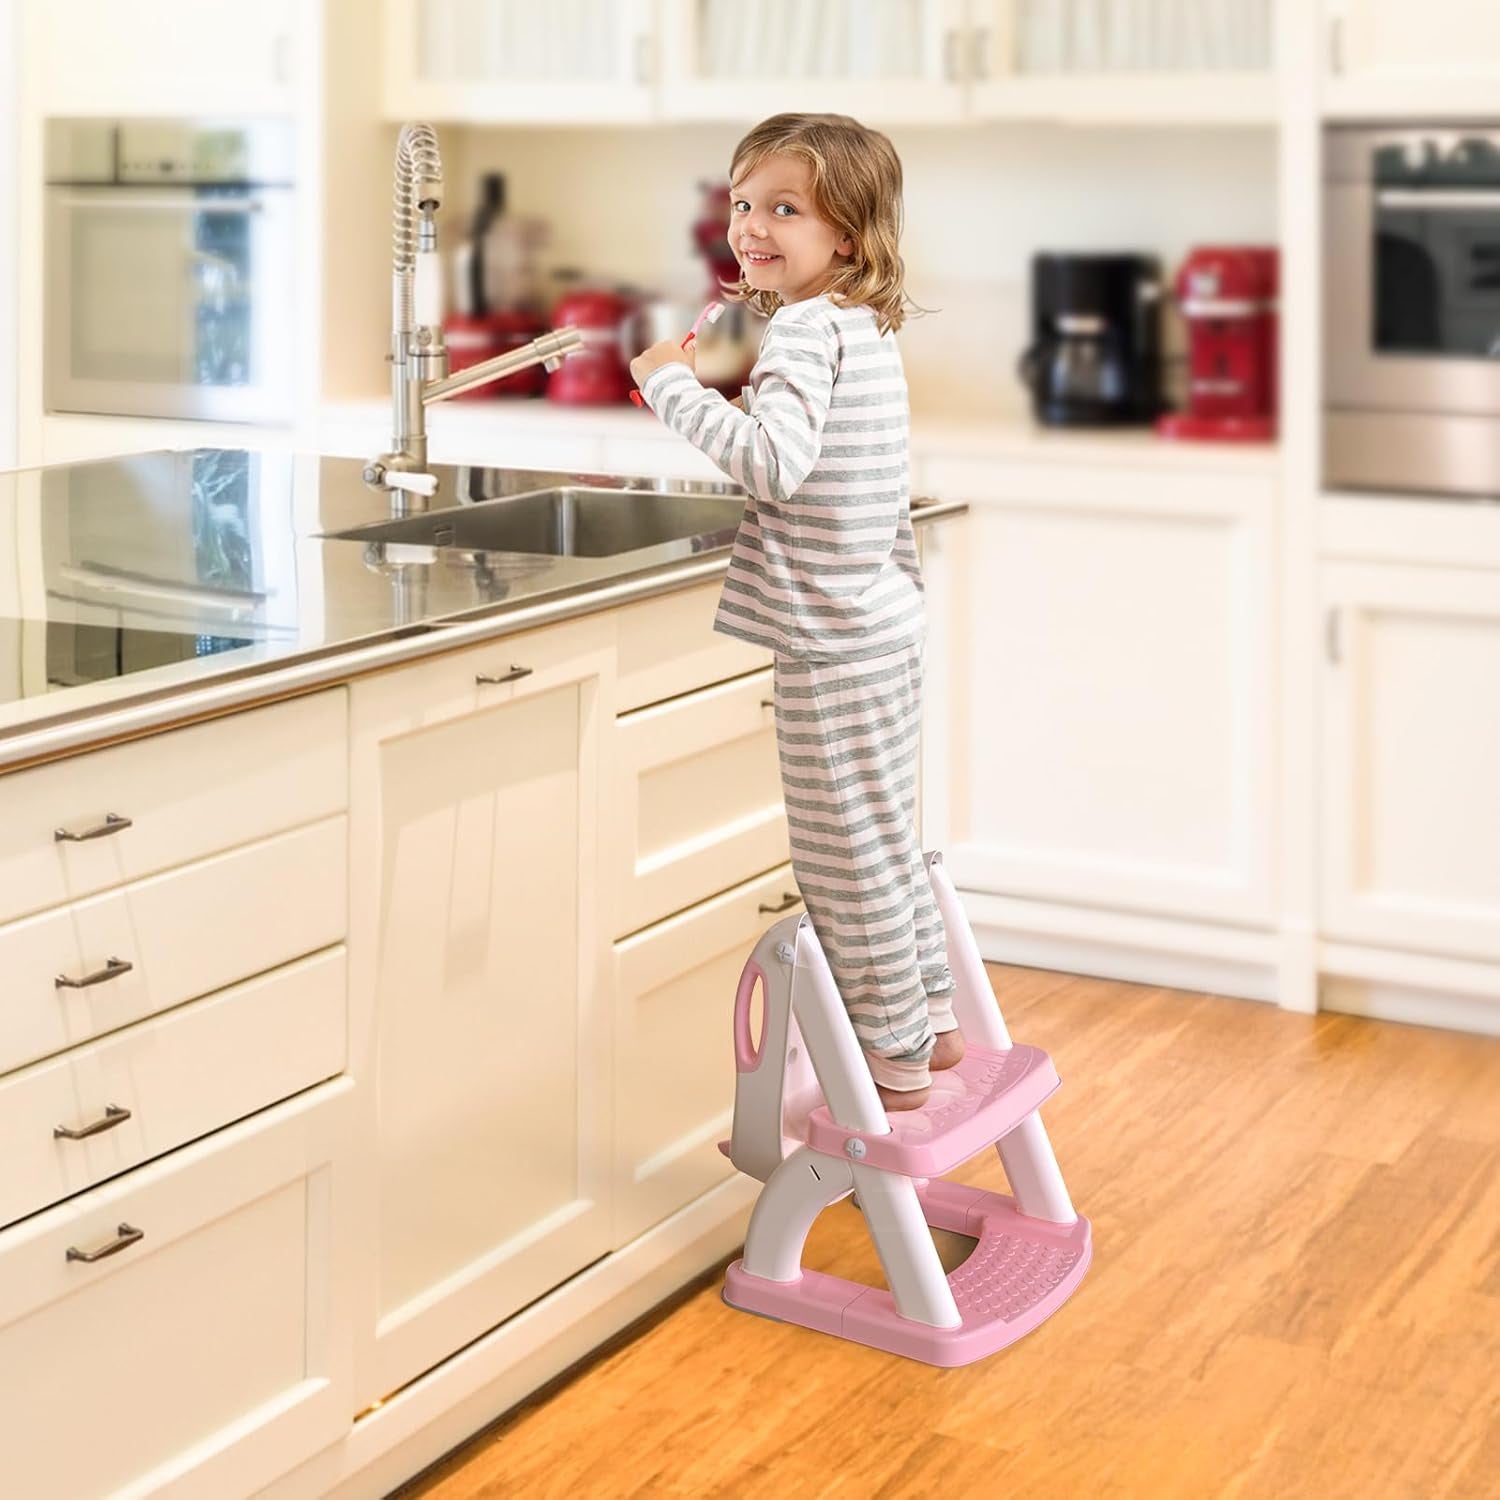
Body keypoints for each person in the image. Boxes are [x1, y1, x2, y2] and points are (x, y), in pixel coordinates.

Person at [630, 112, 960, 1112]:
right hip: (881, 623)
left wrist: (670, 389)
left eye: (785, 207)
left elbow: (774, 465)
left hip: (831, 645)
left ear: (848, 234)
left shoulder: (806, 329)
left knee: (842, 858)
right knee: (887, 835)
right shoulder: (860, 325)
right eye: (742, 203)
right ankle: (931, 1021)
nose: (752, 226)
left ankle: (894, 1059)